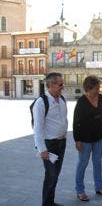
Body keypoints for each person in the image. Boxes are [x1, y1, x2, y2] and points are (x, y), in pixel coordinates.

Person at [33, 72, 68, 206]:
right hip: (50, 145)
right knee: (51, 175)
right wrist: (42, 149)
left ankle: (50, 202)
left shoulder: (62, 99)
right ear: (51, 85)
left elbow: (63, 120)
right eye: (60, 84)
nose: (62, 87)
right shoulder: (41, 102)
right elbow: (37, 128)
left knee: (55, 175)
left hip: (61, 142)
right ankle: (47, 203)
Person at [73, 75, 102, 201]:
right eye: (96, 88)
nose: (98, 90)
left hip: (99, 137)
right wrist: (77, 140)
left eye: (98, 87)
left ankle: (99, 187)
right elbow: (76, 122)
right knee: (83, 163)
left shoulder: (101, 98)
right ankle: (80, 190)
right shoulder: (82, 102)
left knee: (98, 162)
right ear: (88, 88)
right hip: (85, 139)